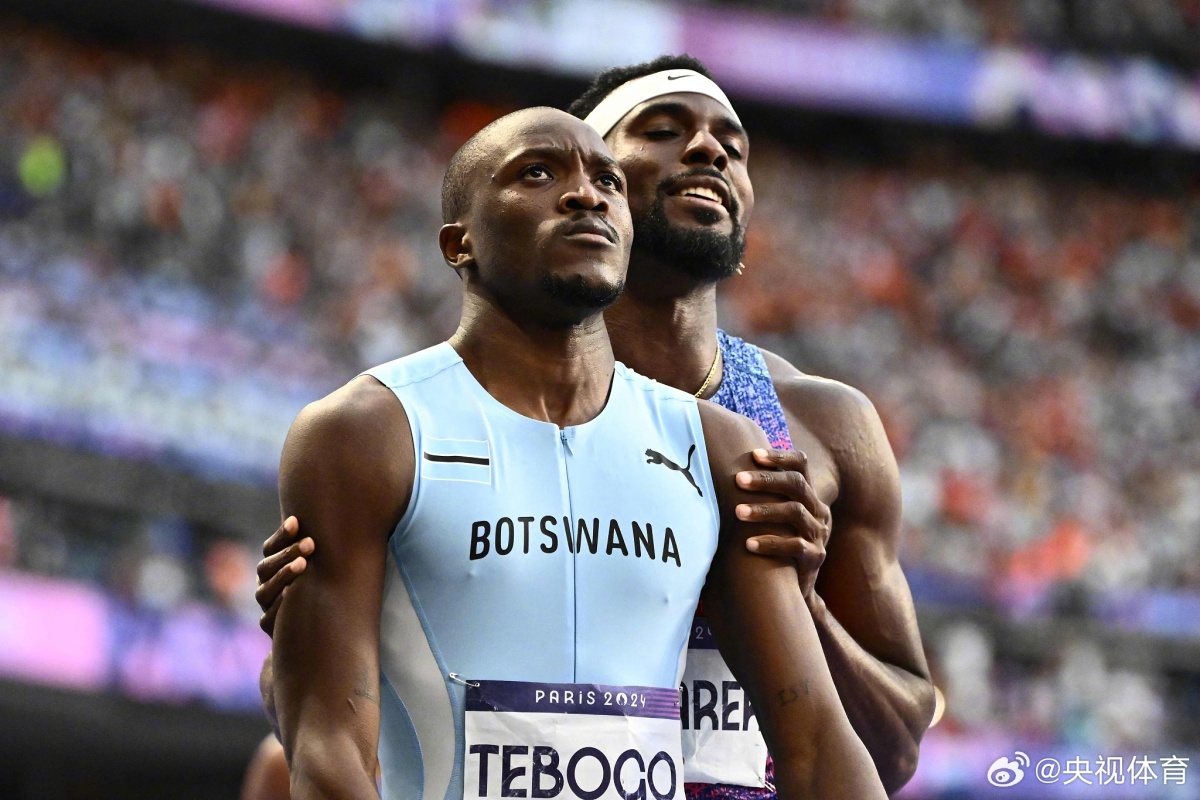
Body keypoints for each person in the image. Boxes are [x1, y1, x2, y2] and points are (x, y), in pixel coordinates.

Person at [254, 57, 934, 799]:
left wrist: (805, 601)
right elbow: (332, 725)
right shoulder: (403, 425)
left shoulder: (773, 435)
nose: (708, 150)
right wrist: (310, 636)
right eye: (662, 130)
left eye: (734, 146)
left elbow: (879, 752)